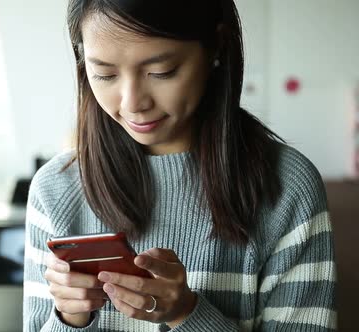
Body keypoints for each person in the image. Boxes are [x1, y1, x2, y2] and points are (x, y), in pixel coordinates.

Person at [23, 0, 336, 331]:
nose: (133, 103)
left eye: (161, 72)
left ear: (216, 46)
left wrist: (186, 314)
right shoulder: (54, 188)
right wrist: (70, 318)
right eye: (104, 74)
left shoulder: (288, 186)